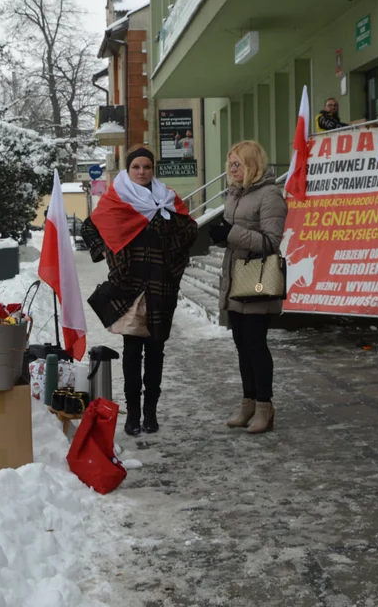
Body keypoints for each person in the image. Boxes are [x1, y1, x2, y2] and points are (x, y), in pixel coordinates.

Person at [83, 147, 198, 436]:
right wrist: (110, 254)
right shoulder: (116, 197)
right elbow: (91, 228)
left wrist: (168, 240)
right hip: (130, 288)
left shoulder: (167, 199)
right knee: (132, 354)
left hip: (161, 286)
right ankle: (132, 415)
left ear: (152, 169)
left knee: (156, 353)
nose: (142, 171)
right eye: (136, 166)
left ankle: (151, 414)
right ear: (128, 169)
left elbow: (190, 231)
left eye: (147, 166)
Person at [207, 141, 287, 434]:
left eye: (238, 164)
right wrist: (221, 235)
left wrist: (233, 233)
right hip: (235, 276)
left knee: (256, 345)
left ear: (253, 164)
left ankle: (265, 407)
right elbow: (235, 233)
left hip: (257, 278)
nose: (232, 169)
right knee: (241, 345)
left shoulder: (270, 195)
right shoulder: (235, 193)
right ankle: (248, 404)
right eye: (230, 164)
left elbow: (271, 242)